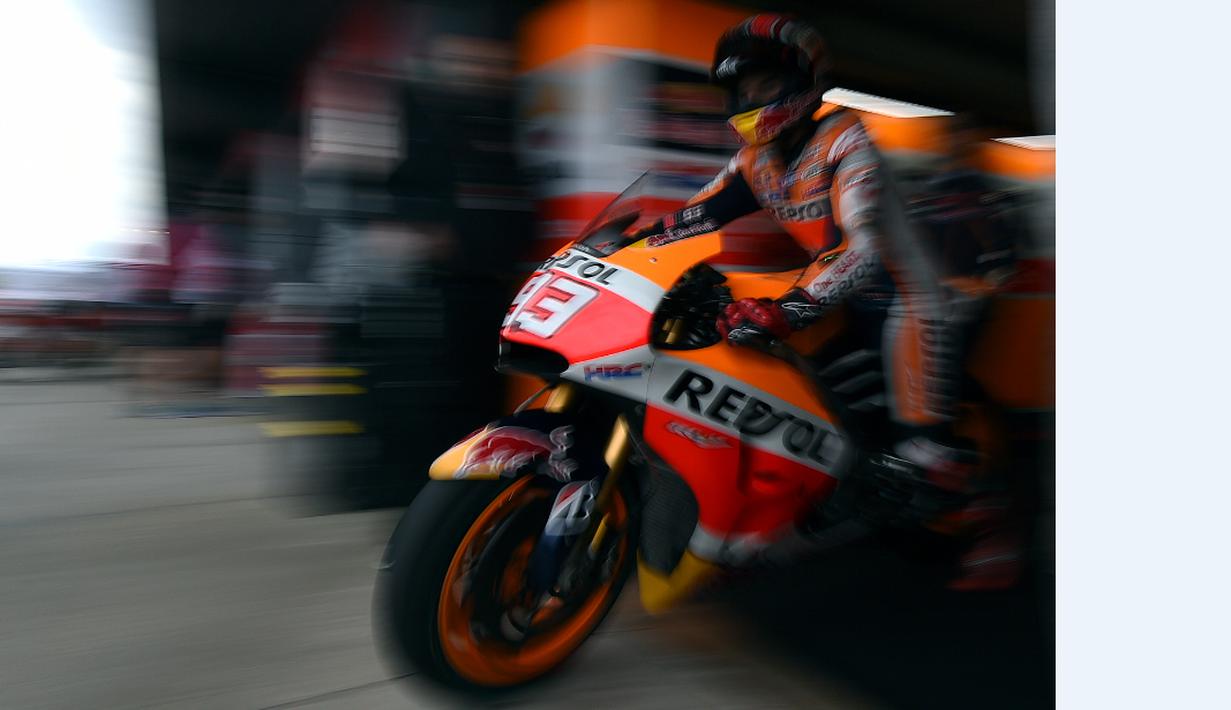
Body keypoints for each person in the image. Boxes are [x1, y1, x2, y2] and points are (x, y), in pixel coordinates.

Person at [629, 14, 1022, 591]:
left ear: (799, 83)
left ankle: (993, 530)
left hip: (908, 302)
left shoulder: (845, 137)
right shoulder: (754, 162)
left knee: (920, 454)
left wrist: (789, 309)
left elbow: (861, 251)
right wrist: (626, 248)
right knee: (821, 417)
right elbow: (692, 217)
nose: (749, 99)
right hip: (840, 301)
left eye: (762, 86)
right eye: (742, 90)